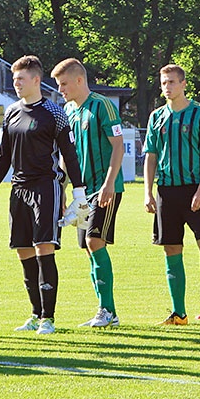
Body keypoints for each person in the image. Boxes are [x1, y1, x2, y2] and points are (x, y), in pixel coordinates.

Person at [0, 55, 87, 335]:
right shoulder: (10, 112)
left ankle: (48, 318)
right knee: (22, 250)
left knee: (44, 246)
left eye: (20, 79)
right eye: (13, 79)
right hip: (18, 189)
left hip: (46, 187)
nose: (16, 84)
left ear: (36, 80)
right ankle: (34, 314)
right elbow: (4, 154)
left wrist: (78, 191)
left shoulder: (54, 112)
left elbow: (70, 153)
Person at [144, 64, 200, 326]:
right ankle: (179, 312)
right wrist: (147, 192)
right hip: (167, 190)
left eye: (172, 82)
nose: (167, 87)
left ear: (183, 84)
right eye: (163, 83)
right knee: (171, 248)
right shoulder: (156, 116)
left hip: (194, 188)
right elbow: (151, 156)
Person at [51, 58, 124, 328]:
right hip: (82, 195)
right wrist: (61, 190)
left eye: (64, 84)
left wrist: (108, 184)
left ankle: (108, 310)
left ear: (80, 80)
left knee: (95, 242)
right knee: (88, 248)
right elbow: (65, 157)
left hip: (105, 188)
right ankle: (104, 310)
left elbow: (118, 147)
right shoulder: (68, 111)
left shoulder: (102, 106)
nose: (61, 89)